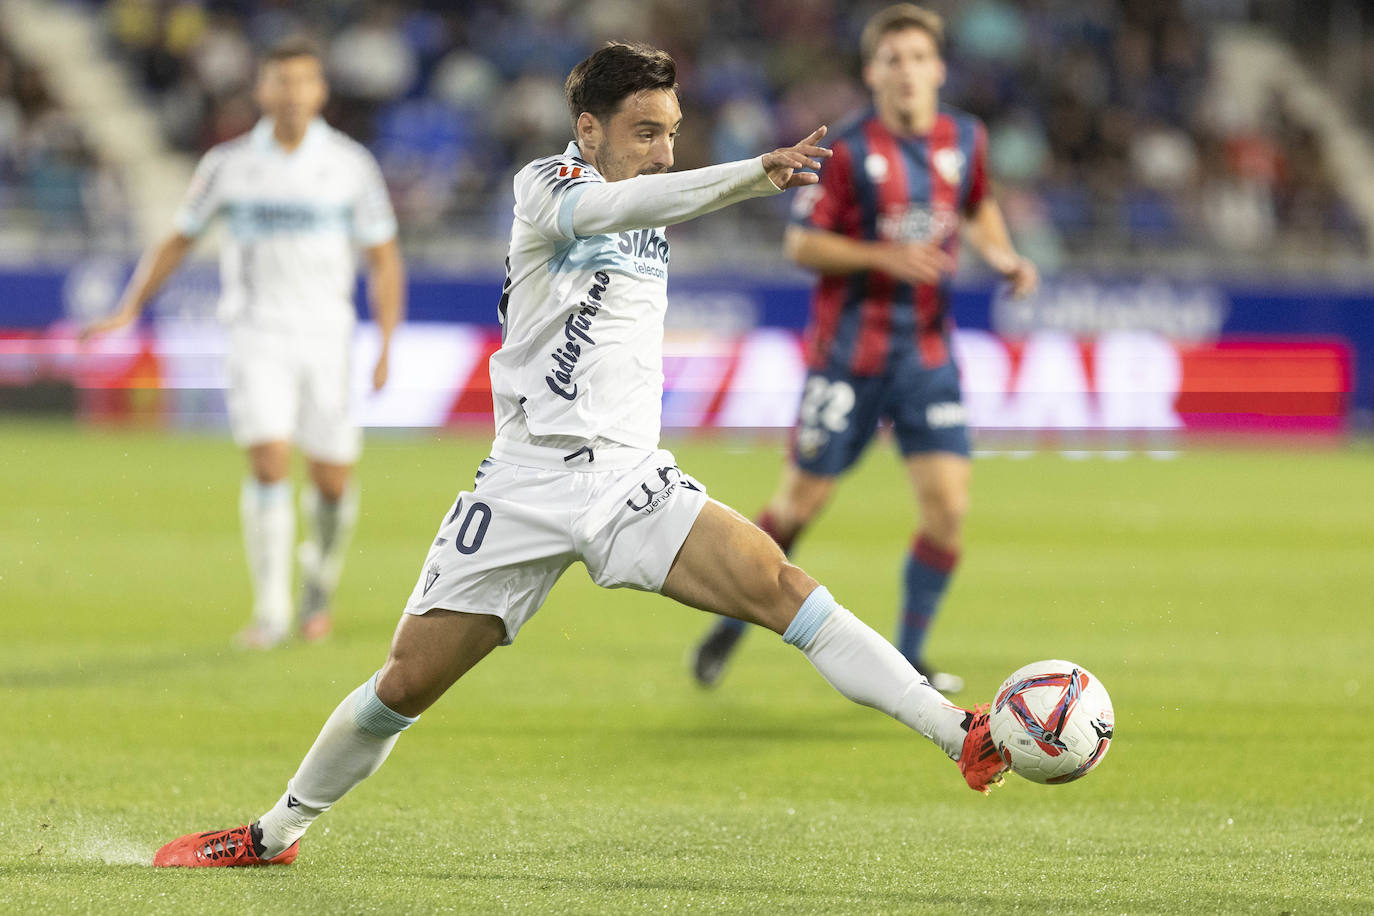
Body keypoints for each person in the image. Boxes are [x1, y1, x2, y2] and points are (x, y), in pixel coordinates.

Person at [149, 40, 1007, 870]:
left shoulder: (655, 195)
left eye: (673, 132)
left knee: (784, 588)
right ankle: (272, 833)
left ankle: (956, 732)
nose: (665, 153)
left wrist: (710, 178)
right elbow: (617, 208)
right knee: (404, 684)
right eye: (646, 132)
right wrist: (750, 173)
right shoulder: (547, 187)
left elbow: (648, 209)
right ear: (587, 128)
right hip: (525, 482)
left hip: (632, 478)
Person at [690, 4, 1038, 694]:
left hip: (928, 356)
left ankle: (908, 657)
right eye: (893, 60)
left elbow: (976, 204)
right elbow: (800, 243)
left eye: (918, 58)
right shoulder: (847, 149)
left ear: (938, 68)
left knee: (948, 508)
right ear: (872, 71)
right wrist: (884, 256)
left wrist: (1002, 256)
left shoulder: (966, 137)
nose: (907, 71)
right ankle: (729, 624)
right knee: (796, 507)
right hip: (849, 356)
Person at [84, 38, 405, 649]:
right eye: (279, 81)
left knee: (333, 481)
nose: (291, 93)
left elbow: (385, 258)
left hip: (327, 337)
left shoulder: (349, 165)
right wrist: (127, 308)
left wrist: (388, 341)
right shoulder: (227, 165)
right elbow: (177, 239)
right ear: (261, 90)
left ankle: (317, 581)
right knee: (267, 463)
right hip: (255, 332)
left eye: (302, 81)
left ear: (320, 92)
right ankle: (271, 611)